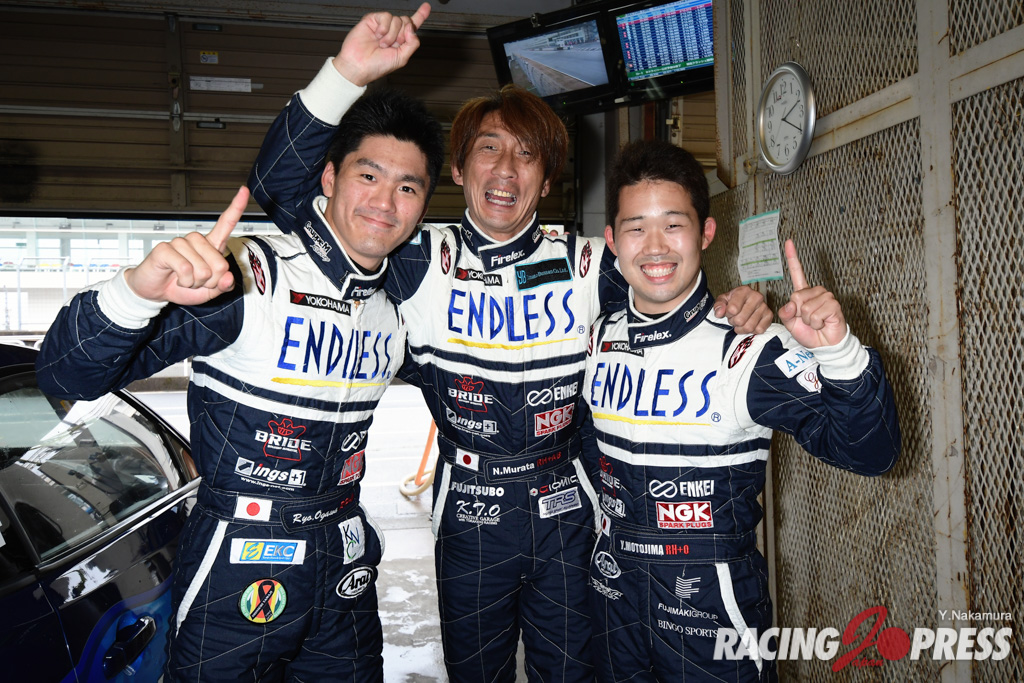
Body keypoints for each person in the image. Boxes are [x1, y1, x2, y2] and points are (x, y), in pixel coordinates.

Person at [248, 9, 770, 679]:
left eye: (527, 155)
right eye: (489, 148)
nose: (506, 168)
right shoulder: (415, 257)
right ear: (458, 169)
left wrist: (738, 303)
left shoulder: (590, 263)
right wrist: (344, 74)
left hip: (569, 511)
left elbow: (670, 279)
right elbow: (280, 189)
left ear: (546, 182)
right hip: (469, 513)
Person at [33, 9, 444, 681]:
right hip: (239, 556)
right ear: (330, 180)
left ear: (422, 206)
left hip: (345, 556)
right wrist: (138, 290)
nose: (385, 202)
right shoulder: (250, 275)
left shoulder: (398, 299)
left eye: (408, 187)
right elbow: (66, 374)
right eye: (368, 176)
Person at [580, 139, 901, 682]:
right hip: (612, 594)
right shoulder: (598, 338)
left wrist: (840, 354)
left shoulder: (750, 348)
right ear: (612, 240)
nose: (654, 247)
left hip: (712, 601)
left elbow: (872, 454)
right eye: (636, 228)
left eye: (673, 225)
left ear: (706, 232)